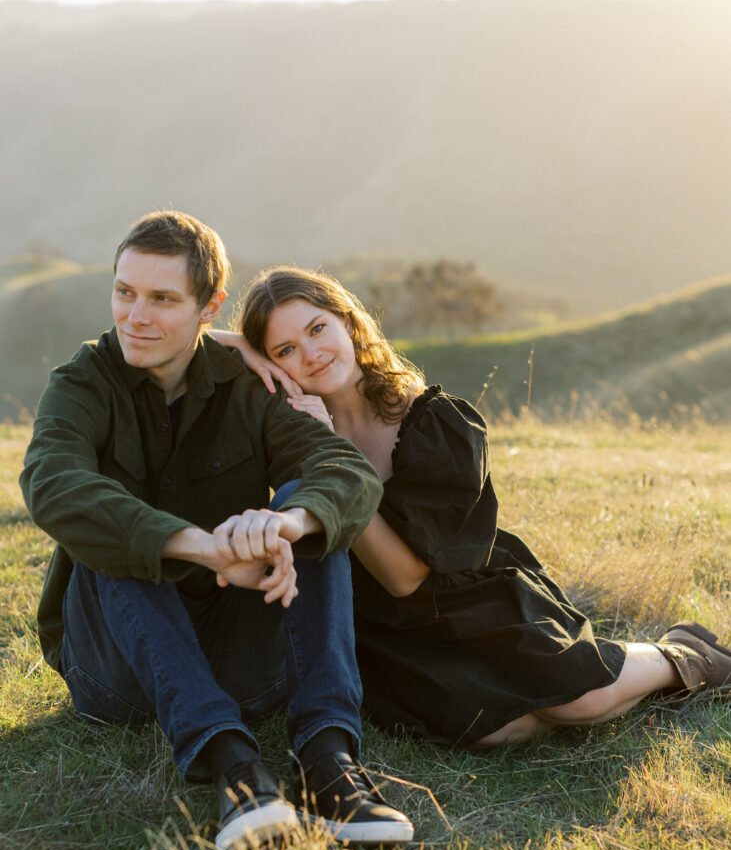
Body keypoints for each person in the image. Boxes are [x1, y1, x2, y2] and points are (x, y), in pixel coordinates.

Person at [20, 213, 414, 850]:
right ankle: (232, 765)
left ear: (210, 308)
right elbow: (52, 483)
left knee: (309, 512)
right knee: (112, 522)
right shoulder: (83, 381)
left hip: (241, 659)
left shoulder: (248, 385)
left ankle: (327, 760)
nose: (135, 317)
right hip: (115, 672)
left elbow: (344, 471)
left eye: (162, 299)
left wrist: (282, 525)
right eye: (124, 292)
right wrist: (207, 551)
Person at [213, 265, 731, 750]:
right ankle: (611, 682)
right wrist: (240, 346)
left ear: (348, 322)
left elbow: (406, 577)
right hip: (383, 629)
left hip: (469, 599)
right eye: (284, 349)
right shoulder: (291, 428)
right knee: (506, 729)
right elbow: (166, 341)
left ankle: (682, 654)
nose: (310, 353)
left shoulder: (436, 423)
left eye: (318, 328)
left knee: (583, 702)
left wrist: (337, 463)